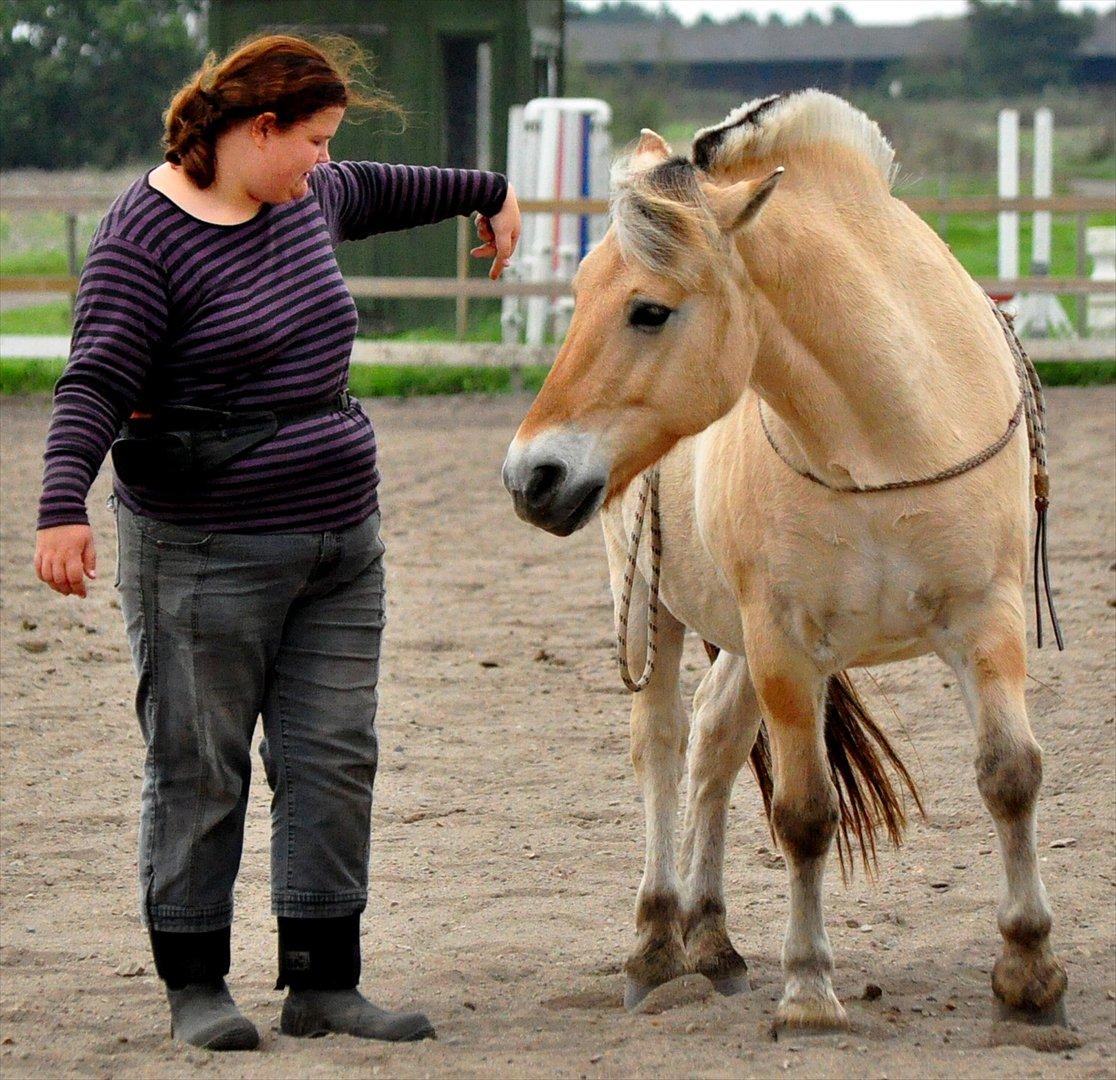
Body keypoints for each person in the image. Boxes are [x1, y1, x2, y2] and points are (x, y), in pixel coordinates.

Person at [34, 33, 520, 1052]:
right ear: (258, 130)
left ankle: (321, 981)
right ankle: (196, 984)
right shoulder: (145, 237)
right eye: (312, 142)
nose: (324, 164)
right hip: (204, 550)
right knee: (199, 769)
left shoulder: (306, 199)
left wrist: (489, 188)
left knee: (334, 760)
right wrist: (61, 505)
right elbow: (95, 381)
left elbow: (385, 185)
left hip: (344, 543)